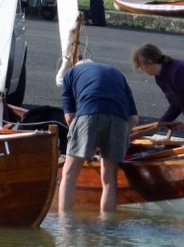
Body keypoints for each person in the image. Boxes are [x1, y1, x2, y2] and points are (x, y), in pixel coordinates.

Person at [58, 59, 139, 213]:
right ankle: (107, 225)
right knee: (109, 178)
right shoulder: (118, 73)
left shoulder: (70, 74)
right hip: (119, 120)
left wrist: (86, 142)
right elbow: (134, 119)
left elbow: (69, 118)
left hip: (88, 114)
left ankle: (65, 222)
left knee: (69, 173)